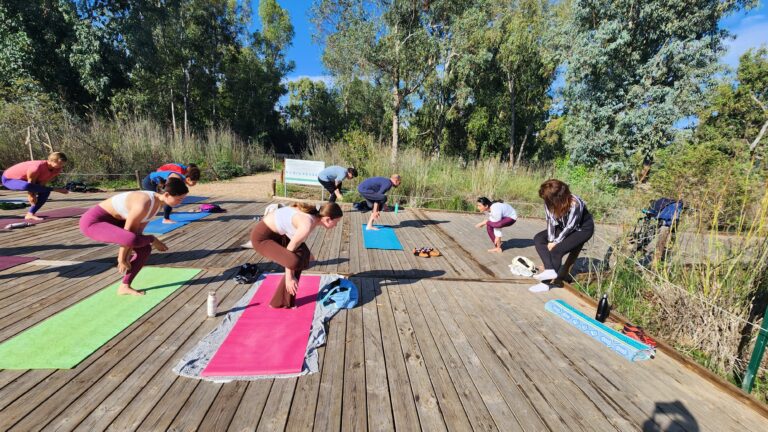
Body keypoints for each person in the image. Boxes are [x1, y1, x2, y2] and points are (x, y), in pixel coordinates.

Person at [79, 177, 189, 296]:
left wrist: (129, 254)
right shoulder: (144, 202)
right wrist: (122, 258)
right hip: (93, 223)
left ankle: (125, 286)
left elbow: (137, 232)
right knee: (132, 239)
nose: (180, 202)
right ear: (167, 194)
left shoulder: (157, 205)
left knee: (145, 249)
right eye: (179, 199)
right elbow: (128, 235)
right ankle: (152, 239)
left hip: (116, 222)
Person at [250, 202, 343, 308]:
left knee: (303, 255)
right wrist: (289, 277)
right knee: (295, 261)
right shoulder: (307, 224)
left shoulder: (312, 218)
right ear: (327, 219)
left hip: (279, 234)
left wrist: (307, 255)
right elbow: (290, 250)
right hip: (261, 238)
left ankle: (283, 301)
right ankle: (283, 297)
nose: (336, 226)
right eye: (336, 222)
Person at [529, 179, 595, 293]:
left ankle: (545, 284)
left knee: (557, 250)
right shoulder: (548, 201)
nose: (546, 201)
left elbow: (571, 226)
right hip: (563, 226)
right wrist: (550, 240)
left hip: (581, 229)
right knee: (539, 238)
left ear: (558, 198)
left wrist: (555, 242)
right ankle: (550, 269)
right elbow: (550, 221)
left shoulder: (576, 203)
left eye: (548, 199)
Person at [1, 152, 70, 221]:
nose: (62, 166)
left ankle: (30, 214)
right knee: (27, 185)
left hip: (26, 180)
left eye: (63, 164)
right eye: (60, 163)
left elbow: (43, 182)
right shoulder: (36, 167)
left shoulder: (57, 169)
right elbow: (30, 183)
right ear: (52, 160)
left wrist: (38, 191)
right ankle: (54, 189)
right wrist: (31, 195)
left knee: (45, 192)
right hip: (9, 179)